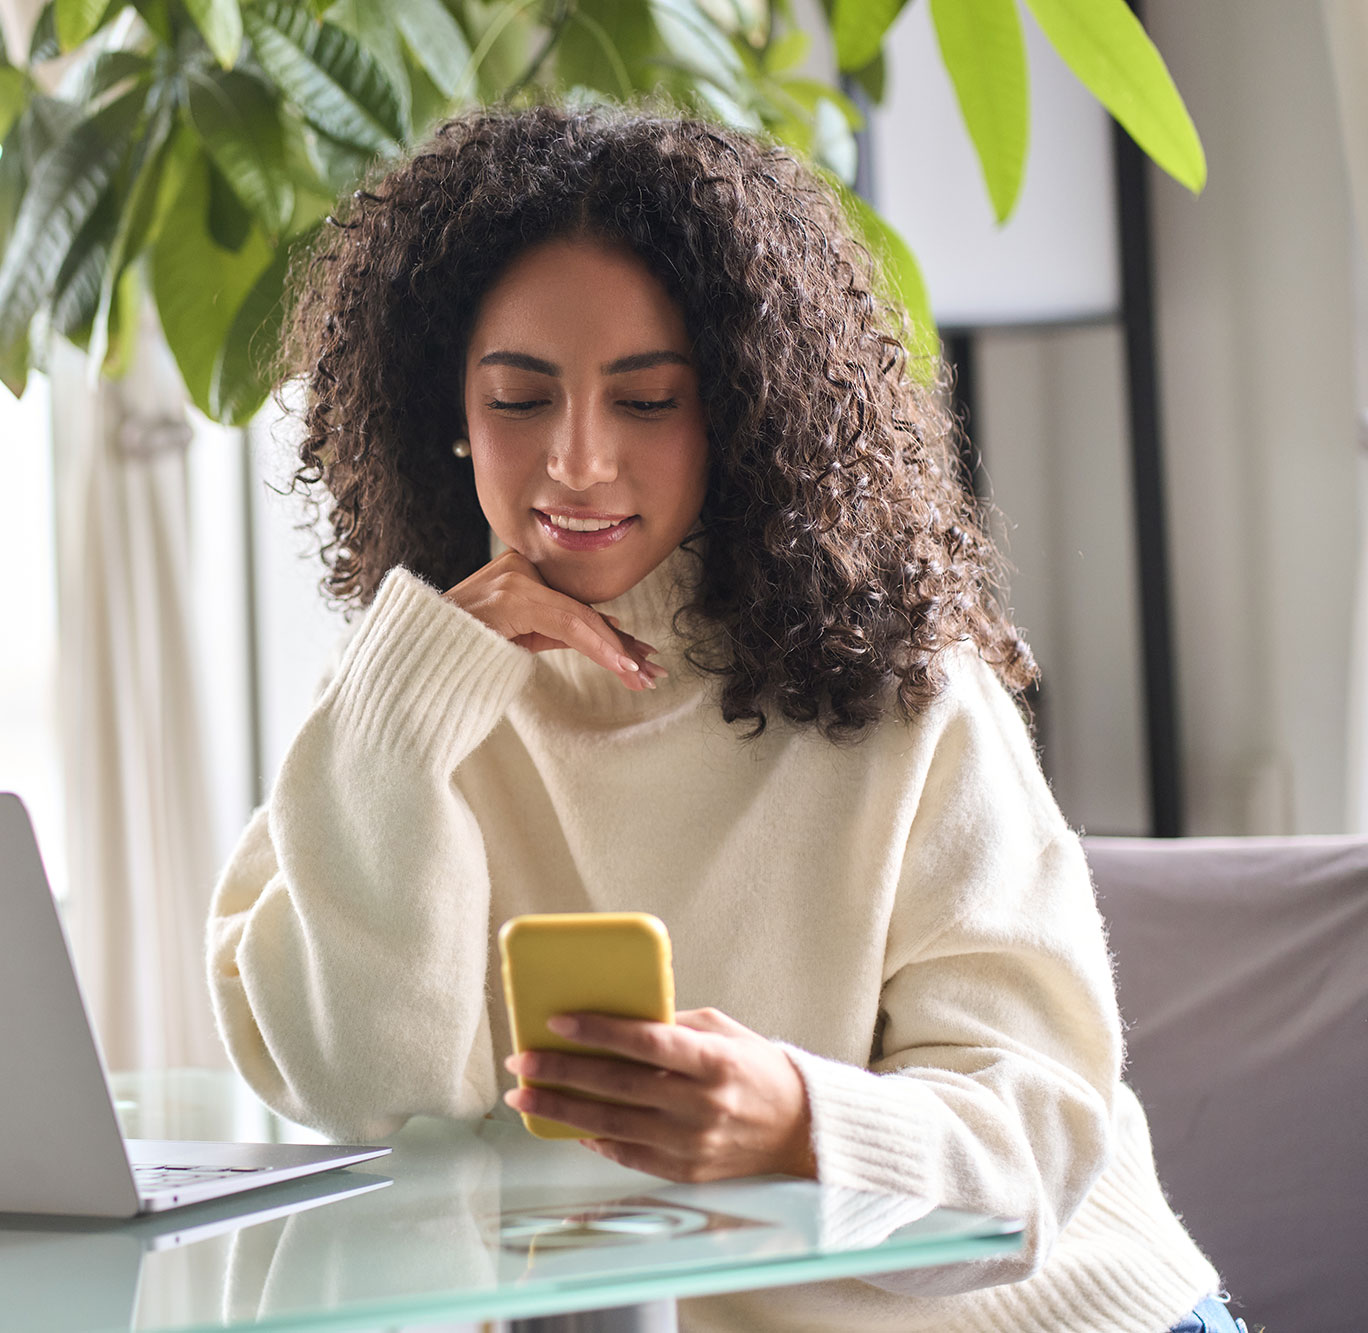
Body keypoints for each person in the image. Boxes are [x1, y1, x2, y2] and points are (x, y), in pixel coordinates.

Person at [206, 106, 1234, 1332]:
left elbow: (1032, 1152)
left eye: (646, 401)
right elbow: (367, 1097)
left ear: (739, 411)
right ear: (447, 408)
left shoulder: (897, 680)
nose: (575, 462)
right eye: (517, 399)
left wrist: (798, 1123)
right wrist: (397, 720)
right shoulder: (401, 698)